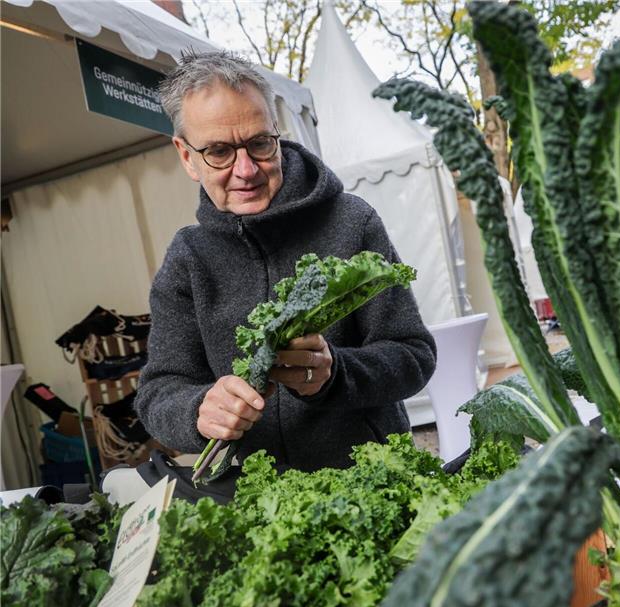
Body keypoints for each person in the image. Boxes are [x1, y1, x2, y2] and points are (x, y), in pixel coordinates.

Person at [135, 52, 437, 472]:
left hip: (373, 478)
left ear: (277, 132)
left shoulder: (351, 222)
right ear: (186, 156)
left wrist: (336, 374)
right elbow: (158, 392)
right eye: (219, 152)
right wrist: (199, 409)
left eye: (259, 144)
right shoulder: (188, 259)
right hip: (261, 499)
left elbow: (414, 356)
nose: (245, 170)